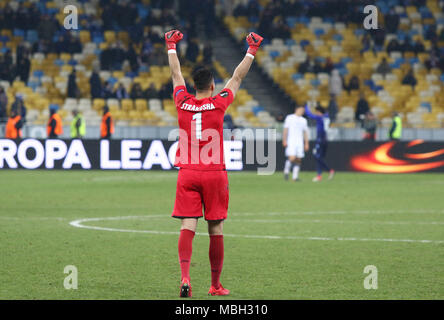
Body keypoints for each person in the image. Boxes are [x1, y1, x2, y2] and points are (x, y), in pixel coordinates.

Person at [165, 29, 263, 298]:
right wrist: (251, 50)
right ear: (211, 87)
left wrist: (171, 45)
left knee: (188, 225)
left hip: (187, 172)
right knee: (215, 227)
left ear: (192, 86)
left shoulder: (182, 101)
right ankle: (215, 285)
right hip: (214, 173)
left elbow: (175, 75)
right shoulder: (218, 103)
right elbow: (237, 76)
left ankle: (185, 278)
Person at [305, 104, 335, 182]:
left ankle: (329, 171)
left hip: (320, 140)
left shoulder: (319, 117)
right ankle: (319, 176)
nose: (316, 113)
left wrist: (306, 107)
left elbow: (309, 115)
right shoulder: (326, 117)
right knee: (319, 157)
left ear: (319, 112)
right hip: (325, 140)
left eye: (317, 112)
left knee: (317, 156)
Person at [282, 105, 309, 182]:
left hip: (300, 142)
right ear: (296, 109)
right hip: (291, 141)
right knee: (292, 158)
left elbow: (305, 132)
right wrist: (284, 140)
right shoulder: (290, 118)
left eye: (303, 111)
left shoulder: (304, 120)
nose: (302, 112)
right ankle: (286, 171)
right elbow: (285, 129)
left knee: (299, 159)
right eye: (301, 110)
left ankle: (295, 177)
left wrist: (306, 143)